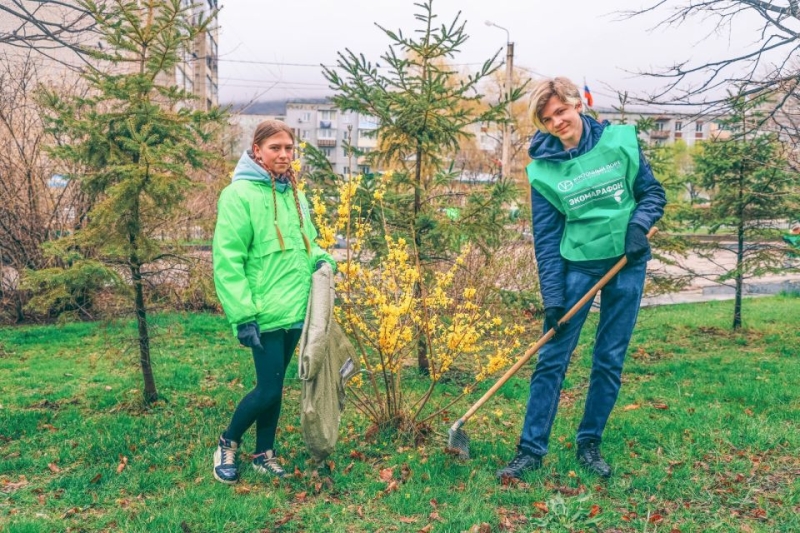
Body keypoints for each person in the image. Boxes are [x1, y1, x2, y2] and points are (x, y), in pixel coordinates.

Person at [497, 78, 666, 480]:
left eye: (561, 111)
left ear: (578, 105)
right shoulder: (544, 172)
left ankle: (589, 444)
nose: (556, 122)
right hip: (577, 265)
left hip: (625, 262)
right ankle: (530, 450)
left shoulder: (619, 143)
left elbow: (652, 193)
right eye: (546, 118)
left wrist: (638, 228)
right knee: (551, 359)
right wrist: (553, 299)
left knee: (608, 359)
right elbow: (547, 237)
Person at [211, 120, 335, 484]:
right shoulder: (238, 195)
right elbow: (228, 259)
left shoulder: (296, 196)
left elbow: (309, 243)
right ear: (256, 150)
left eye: (289, 148)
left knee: (277, 386)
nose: (283, 155)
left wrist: (324, 259)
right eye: (275, 148)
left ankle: (264, 453)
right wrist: (242, 314)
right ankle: (227, 442)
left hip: (296, 310)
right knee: (267, 387)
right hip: (262, 312)